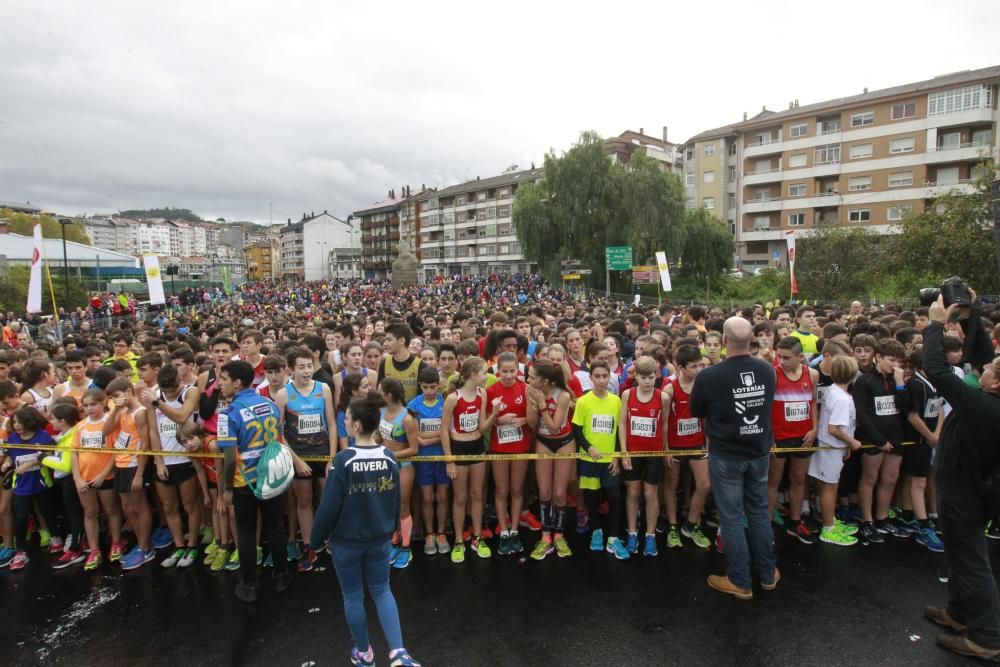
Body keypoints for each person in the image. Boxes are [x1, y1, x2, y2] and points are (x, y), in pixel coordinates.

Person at [310, 392, 421, 667]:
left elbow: (328, 507)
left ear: (357, 425)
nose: (345, 422)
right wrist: (393, 526)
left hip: (346, 542)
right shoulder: (389, 457)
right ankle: (398, 652)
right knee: (382, 590)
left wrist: (316, 539)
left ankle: (364, 653)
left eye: (347, 419)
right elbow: (395, 498)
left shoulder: (343, 460)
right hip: (379, 538)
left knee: (352, 595)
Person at [922, 295, 1000, 661]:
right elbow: (983, 354)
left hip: (966, 489)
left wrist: (936, 325)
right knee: (958, 551)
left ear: (995, 384)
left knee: (971, 560)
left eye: (991, 368)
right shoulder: (990, 393)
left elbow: (936, 371)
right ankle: (959, 613)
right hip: (970, 483)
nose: (984, 367)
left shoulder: (984, 405)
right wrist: (970, 314)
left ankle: (985, 637)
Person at [690, 316, 778, 600]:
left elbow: (696, 410)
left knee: (730, 516)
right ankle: (767, 573)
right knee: (759, 512)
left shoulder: (709, 376)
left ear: (725, 341)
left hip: (727, 454)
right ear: (751, 338)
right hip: (759, 451)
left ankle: (740, 579)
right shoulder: (767, 370)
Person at [217, 359, 292, 603]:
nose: (219, 384)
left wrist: (226, 487)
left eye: (223, 379)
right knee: (275, 526)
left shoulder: (228, 414)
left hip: (244, 483)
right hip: (272, 477)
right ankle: (281, 576)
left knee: (247, 533)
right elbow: (278, 439)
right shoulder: (269, 404)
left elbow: (229, 456)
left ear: (237, 383)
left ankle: (248, 585)